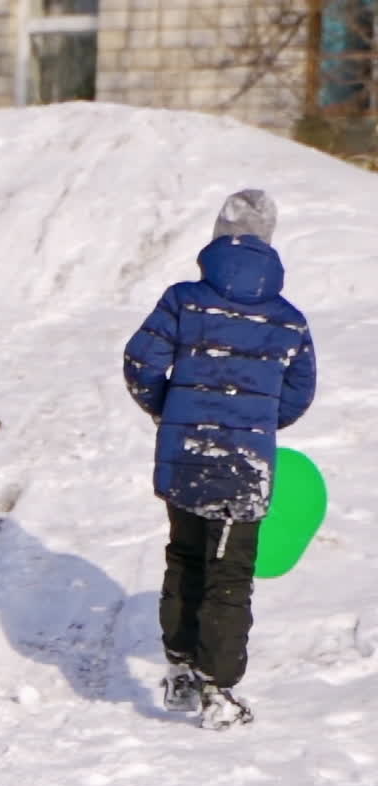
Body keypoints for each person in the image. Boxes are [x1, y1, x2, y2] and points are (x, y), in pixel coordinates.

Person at [123, 189, 316, 729]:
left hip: (186, 453)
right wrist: (255, 426)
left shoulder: (184, 300)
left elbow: (140, 361)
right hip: (244, 467)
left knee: (185, 555)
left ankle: (181, 669)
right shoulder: (288, 321)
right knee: (229, 575)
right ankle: (218, 691)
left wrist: (169, 411)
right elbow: (299, 393)